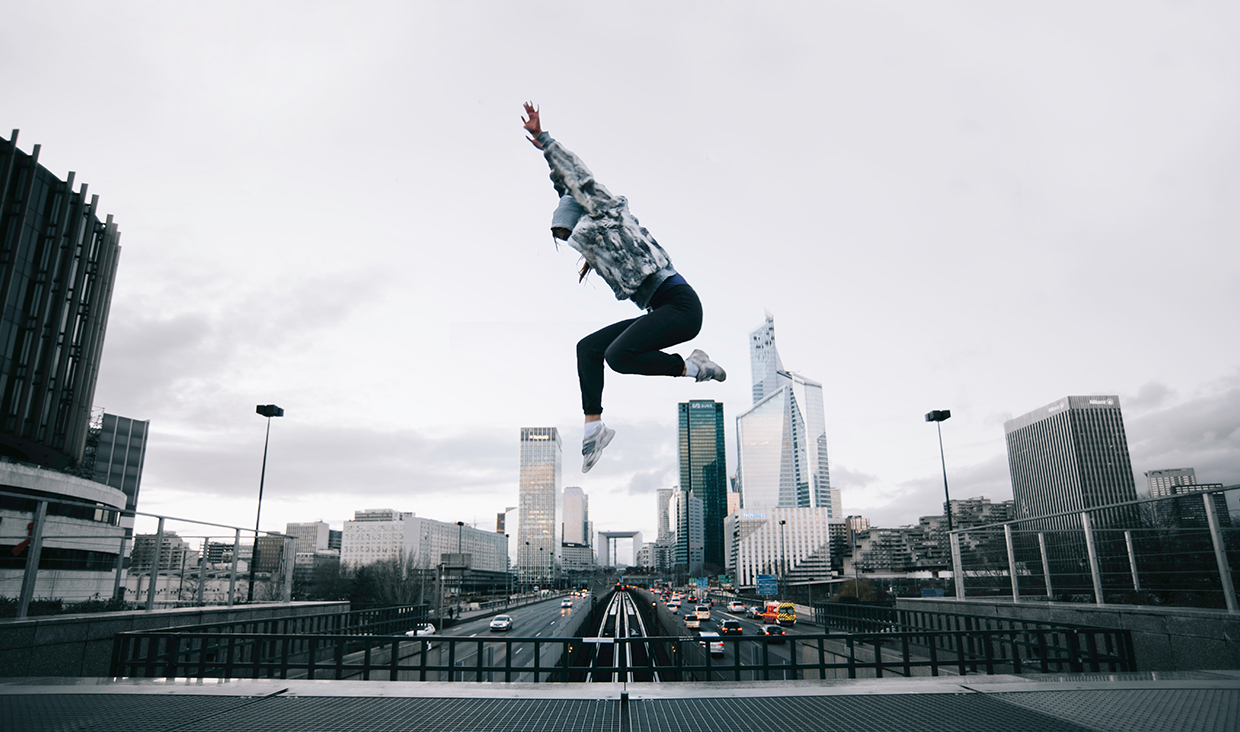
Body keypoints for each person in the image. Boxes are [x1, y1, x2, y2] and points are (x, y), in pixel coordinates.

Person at [521, 102, 726, 473]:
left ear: (582, 214)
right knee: (589, 348)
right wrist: (549, 168)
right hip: (661, 310)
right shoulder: (589, 232)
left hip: (681, 306)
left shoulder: (607, 211)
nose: (570, 239)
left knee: (618, 356)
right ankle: (594, 427)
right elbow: (562, 188)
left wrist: (544, 139)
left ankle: (694, 368)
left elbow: (575, 180)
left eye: (568, 231)